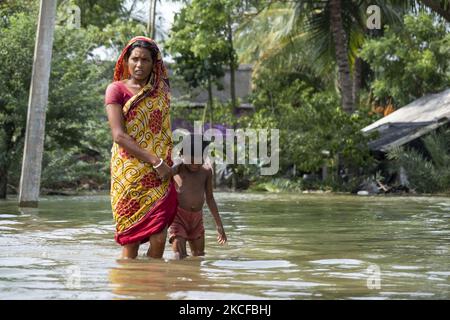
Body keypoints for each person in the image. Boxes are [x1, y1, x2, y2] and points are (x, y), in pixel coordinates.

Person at [104, 36, 177, 259]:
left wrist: (163, 163)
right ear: (126, 60)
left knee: (159, 236)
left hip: (160, 173)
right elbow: (119, 135)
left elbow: (162, 131)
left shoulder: (161, 90)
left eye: (145, 60)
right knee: (132, 240)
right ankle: (129, 287)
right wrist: (155, 161)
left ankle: (152, 287)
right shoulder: (116, 90)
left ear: (154, 63)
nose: (139, 65)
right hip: (130, 172)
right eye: (134, 59)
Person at [169, 136, 227, 259]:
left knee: (199, 256)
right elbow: (163, 178)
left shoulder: (206, 171)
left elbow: (210, 198)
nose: (195, 163)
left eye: (200, 159)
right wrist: (175, 167)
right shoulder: (178, 170)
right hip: (178, 218)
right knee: (179, 256)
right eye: (191, 159)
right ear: (182, 155)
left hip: (197, 220)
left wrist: (219, 225)